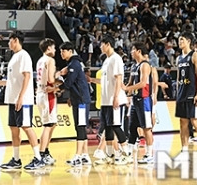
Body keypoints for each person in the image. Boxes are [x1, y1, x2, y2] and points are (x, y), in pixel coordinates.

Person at [0, 31, 46, 170]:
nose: (8, 43)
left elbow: (27, 77)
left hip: (23, 100)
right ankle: (16, 159)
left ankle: (38, 158)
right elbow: (12, 81)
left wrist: (21, 97)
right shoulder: (14, 57)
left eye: (9, 40)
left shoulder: (24, 55)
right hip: (12, 99)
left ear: (15, 40)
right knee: (13, 128)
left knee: (26, 127)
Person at [87, 34, 129, 165]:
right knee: (108, 128)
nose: (100, 46)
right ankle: (111, 154)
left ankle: (126, 154)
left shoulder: (116, 59)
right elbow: (105, 81)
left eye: (102, 44)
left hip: (113, 99)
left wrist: (116, 97)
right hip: (105, 101)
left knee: (116, 126)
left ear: (108, 44)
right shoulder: (106, 61)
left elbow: (118, 79)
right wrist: (92, 80)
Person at [175, 32, 197, 158]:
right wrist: (177, 93)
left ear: (189, 41)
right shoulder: (179, 58)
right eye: (179, 40)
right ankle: (184, 150)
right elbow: (179, 76)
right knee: (182, 122)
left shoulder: (195, 55)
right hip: (181, 94)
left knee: (195, 121)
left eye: (182, 39)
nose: (180, 42)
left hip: (192, 93)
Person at [57, 42, 91, 166]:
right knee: (80, 126)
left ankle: (77, 156)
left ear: (70, 51)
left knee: (80, 127)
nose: (61, 53)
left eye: (63, 51)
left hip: (81, 101)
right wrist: (71, 97)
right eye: (61, 51)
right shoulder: (73, 64)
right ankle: (85, 155)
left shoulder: (74, 64)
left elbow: (69, 82)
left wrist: (56, 88)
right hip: (79, 99)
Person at [123, 42, 155, 164]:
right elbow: (130, 84)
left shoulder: (145, 65)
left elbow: (143, 83)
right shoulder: (133, 66)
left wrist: (127, 89)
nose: (131, 52)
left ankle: (149, 154)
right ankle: (129, 153)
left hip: (145, 100)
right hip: (135, 100)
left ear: (139, 51)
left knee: (146, 128)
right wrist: (124, 92)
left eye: (133, 50)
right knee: (132, 127)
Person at [35, 38, 58, 165]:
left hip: (40, 92)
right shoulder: (50, 60)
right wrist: (59, 79)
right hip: (47, 94)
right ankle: (42, 154)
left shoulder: (40, 60)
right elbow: (50, 79)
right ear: (48, 48)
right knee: (48, 125)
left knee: (52, 124)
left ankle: (46, 151)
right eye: (54, 48)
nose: (55, 50)